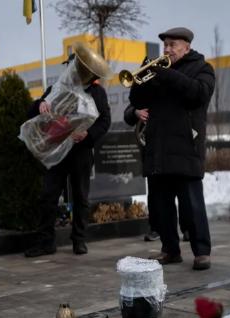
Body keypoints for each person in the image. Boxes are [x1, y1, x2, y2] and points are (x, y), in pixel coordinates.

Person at [129, 27, 215, 271]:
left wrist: (165, 75)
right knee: (162, 205)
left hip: (186, 146)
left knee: (192, 204)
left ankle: (201, 252)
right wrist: (141, 76)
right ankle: (170, 250)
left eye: (172, 44)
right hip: (158, 148)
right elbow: (136, 101)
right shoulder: (157, 71)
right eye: (165, 44)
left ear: (186, 47)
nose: (166, 49)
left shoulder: (202, 68)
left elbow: (199, 94)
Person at [23, 53, 112, 257]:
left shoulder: (98, 93)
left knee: (81, 196)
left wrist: (88, 135)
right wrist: (40, 105)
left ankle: (79, 240)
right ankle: (46, 242)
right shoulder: (58, 88)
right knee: (48, 195)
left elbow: (104, 121)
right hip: (57, 151)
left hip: (81, 151)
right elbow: (32, 112)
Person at [123, 103, 190, 243]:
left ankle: (187, 228)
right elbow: (128, 113)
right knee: (155, 193)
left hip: (175, 148)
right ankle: (156, 229)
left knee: (182, 191)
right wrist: (135, 112)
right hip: (153, 152)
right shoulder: (145, 90)